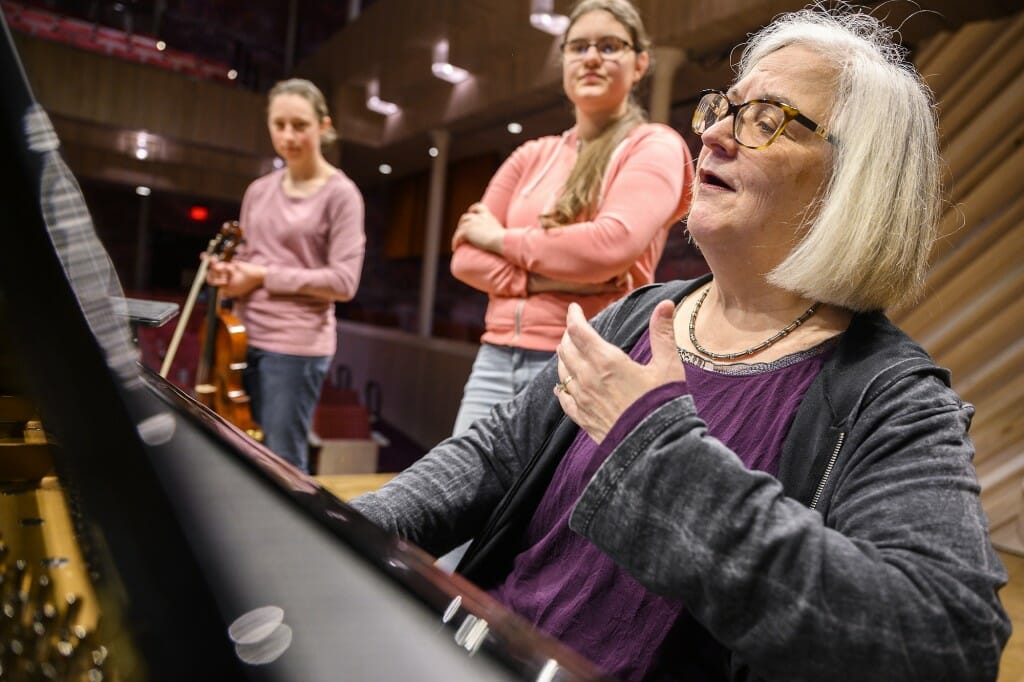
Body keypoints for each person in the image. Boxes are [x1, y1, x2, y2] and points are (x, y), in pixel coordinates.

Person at [351, 6, 1011, 681]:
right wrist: (342, 525)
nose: (716, 135)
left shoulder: (888, 394)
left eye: (767, 119)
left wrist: (656, 451)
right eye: (727, 107)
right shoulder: (638, 315)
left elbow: (949, 641)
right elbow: (491, 458)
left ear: (856, 183)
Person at [448, 0, 693, 436]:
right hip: (495, 356)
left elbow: (609, 246)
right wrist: (541, 280)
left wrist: (498, 239)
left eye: (609, 45)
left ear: (639, 64)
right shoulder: (530, 155)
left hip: (589, 360)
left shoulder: (654, 146)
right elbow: (465, 259)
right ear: (563, 61)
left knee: (555, 504)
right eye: (578, 47)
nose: (592, 57)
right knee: (464, 501)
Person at [206, 78, 365, 474]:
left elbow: (344, 282)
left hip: (295, 345)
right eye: (279, 125)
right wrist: (229, 272)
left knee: (282, 460)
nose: (288, 135)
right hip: (241, 337)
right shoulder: (258, 191)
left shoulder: (341, 194)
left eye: (300, 125)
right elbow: (248, 259)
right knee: (234, 449)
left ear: (323, 126)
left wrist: (260, 275)